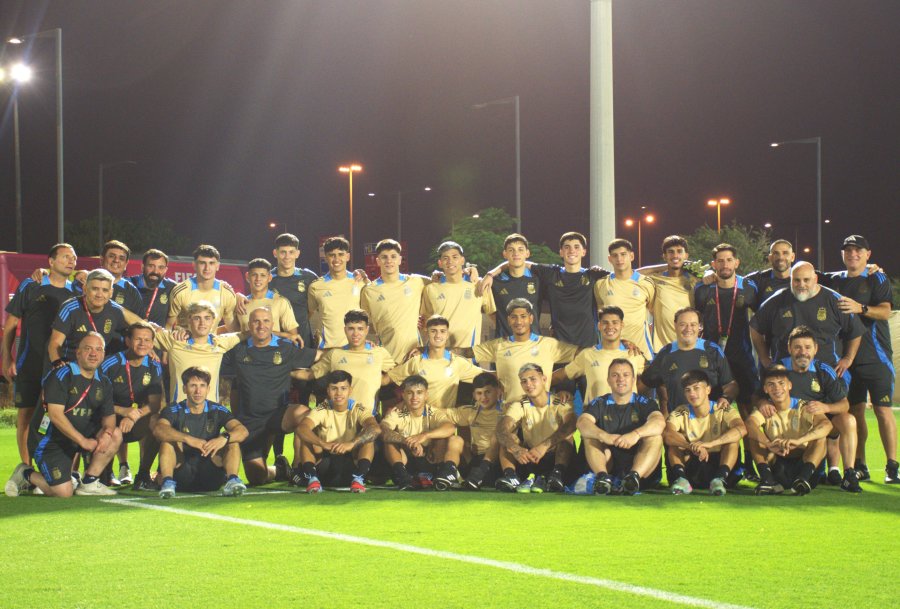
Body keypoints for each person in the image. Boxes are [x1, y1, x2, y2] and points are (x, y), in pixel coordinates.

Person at [5, 333, 121, 498]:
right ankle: (26, 473)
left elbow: (109, 418)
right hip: (50, 441)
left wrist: (107, 433)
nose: (93, 353)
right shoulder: (61, 375)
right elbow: (55, 415)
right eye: (87, 349)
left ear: (103, 354)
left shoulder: (104, 382)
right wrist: (83, 441)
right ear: (78, 353)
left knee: (115, 434)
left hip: (79, 438)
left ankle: (89, 482)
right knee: (63, 493)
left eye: (98, 349)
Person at [822, 235, 896, 483]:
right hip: (846, 360)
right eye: (848, 250)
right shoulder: (833, 280)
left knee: (883, 410)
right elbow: (800, 273)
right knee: (854, 412)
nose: (852, 254)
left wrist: (861, 308)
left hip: (876, 357)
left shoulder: (877, 277)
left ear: (868, 253)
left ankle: (892, 466)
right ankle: (860, 464)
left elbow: (886, 311)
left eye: (858, 250)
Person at [222, 307, 317, 486]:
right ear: (249, 325)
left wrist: (349, 350)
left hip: (278, 414)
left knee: (304, 414)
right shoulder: (237, 350)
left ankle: (298, 469)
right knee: (257, 477)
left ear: (272, 325)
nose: (261, 325)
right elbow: (210, 355)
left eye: (266, 321)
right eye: (256, 321)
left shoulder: (286, 348)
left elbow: (320, 356)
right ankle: (280, 470)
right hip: (251, 421)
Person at [3, 243, 79, 465]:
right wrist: (7, 357)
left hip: (61, 366)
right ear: (51, 261)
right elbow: (11, 325)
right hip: (31, 363)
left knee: (63, 417)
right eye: (65, 257)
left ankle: (65, 470)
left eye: (73, 258)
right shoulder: (31, 285)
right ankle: (26, 470)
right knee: (25, 417)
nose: (71, 261)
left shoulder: (76, 291)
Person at [764, 325, 859, 491]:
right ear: (789, 349)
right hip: (786, 430)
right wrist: (763, 404)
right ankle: (764, 472)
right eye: (797, 347)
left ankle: (849, 474)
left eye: (807, 347)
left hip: (817, 429)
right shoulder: (778, 369)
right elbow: (758, 397)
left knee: (848, 420)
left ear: (815, 349)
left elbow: (845, 404)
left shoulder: (823, 370)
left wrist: (826, 407)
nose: (803, 352)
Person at [692, 243, 760, 476]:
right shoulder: (703, 289)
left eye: (729, 260)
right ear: (713, 265)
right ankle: (725, 464)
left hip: (741, 358)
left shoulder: (749, 288)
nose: (724, 265)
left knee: (747, 411)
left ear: (736, 263)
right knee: (715, 410)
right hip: (712, 361)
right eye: (719, 261)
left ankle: (752, 462)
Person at [481, 231, 610, 348]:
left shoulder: (594, 275)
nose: (572, 251)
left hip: (588, 345)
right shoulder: (551, 274)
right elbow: (518, 261)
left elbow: (620, 279)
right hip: (559, 346)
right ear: (560, 252)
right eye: (567, 247)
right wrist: (491, 273)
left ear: (583, 252)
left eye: (576, 247)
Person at [750, 261, 864, 383]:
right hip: (787, 374)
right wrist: (764, 358)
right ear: (790, 280)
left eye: (806, 280)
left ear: (815, 279)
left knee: (835, 402)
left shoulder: (835, 300)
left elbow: (855, 330)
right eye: (797, 280)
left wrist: (848, 358)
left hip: (827, 372)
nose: (801, 284)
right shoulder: (777, 300)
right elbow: (755, 327)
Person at [154, 366, 249, 498]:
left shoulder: (217, 409)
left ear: (208, 389)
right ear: (184, 389)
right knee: (168, 441)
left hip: (210, 474)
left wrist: (224, 437)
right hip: (182, 475)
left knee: (232, 440)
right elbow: (159, 430)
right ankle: (167, 483)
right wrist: (188, 439)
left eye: (202, 386)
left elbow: (242, 431)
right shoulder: (174, 409)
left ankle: (232, 480)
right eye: (193, 385)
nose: (198, 391)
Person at [577, 359, 664, 495]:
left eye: (626, 375)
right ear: (608, 380)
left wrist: (636, 434)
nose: (620, 379)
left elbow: (659, 422)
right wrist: (604, 436)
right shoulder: (600, 402)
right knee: (590, 436)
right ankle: (602, 478)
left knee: (655, 437)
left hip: (640, 468)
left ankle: (633, 479)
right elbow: (582, 422)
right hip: (609, 463)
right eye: (615, 375)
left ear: (634, 379)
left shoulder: (646, 402)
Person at [746, 365, 833, 495]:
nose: (777, 389)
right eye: (771, 385)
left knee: (820, 437)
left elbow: (827, 425)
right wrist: (768, 443)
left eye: (781, 383)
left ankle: (802, 480)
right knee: (754, 437)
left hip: (804, 464)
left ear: (790, 386)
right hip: (778, 464)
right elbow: (749, 424)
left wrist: (799, 441)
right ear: (765, 389)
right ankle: (768, 480)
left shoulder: (803, 405)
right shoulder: (765, 409)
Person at [99, 321, 165, 490]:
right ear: (127, 341)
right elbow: (95, 398)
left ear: (152, 344)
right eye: (138, 339)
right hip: (108, 414)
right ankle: (103, 473)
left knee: (158, 424)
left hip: (135, 417)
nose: (143, 343)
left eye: (147, 340)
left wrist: (135, 414)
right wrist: (123, 411)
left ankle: (143, 475)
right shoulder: (110, 363)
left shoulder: (153, 365)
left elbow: (155, 403)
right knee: (104, 421)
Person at [473, 299, 578, 402]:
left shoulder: (547, 344)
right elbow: (468, 352)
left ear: (531, 319)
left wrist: (561, 383)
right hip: (509, 411)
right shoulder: (498, 345)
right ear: (509, 320)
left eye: (523, 317)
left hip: (540, 414)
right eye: (514, 317)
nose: (519, 321)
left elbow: (581, 354)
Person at [494, 363, 576, 493]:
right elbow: (501, 428)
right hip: (530, 456)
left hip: (555, 456)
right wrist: (515, 449)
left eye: (533, 379)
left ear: (544, 380)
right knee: (507, 439)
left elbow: (571, 425)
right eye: (524, 381)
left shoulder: (560, 401)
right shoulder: (520, 404)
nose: (528, 384)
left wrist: (544, 446)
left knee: (566, 439)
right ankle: (511, 477)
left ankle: (557, 476)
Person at [663, 370, 747, 496]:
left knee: (732, 440)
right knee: (675, 439)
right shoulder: (681, 411)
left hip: (718, 463)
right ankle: (682, 479)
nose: (692, 393)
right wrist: (691, 446)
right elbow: (667, 434)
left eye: (696, 388)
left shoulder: (722, 408)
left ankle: (719, 479)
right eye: (688, 390)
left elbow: (741, 429)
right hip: (693, 463)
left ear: (708, 389)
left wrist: (711, 444)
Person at [295, 370, 381, 493]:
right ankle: (312, 479)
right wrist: (323, 444)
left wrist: (351, 444)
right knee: (307, 438)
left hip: (351, 464)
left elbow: (375, 428)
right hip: (326, 464)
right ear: (328, 391)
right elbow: (301, 428)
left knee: (368, 438)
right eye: (334, 388)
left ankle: (359, 479)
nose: (339, 393)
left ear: (350, 390)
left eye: (343, 388)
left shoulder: (358, 408)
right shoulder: (322, 408)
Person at [641, 307, 737, 416]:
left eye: (693, 324)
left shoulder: (712, 351)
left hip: (711, 420)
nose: (688, 329)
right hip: (679, 423)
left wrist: (725, 398)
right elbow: (646, 382)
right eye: (683, 324)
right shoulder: (666, 354)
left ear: (700, 327)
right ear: (675, 326)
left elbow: (730, 384)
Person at [299, 309, 395, 413]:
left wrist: (383, 380)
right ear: (345, 330)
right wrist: (281, 368)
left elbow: (396, 372)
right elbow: (308, 374)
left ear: (367, 330)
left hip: (367, 419)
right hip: (339, 417)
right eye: (351, 329)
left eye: (360, 329)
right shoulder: (335, 354)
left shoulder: (379, 353)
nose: (356, 333)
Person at [551, 305, 647, 403]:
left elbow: (646, 382)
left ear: (622, 325)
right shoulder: (587, 354)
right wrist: (539, 387)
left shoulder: (634, 354)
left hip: (626, 415)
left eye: (615, 322)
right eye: (605, 323)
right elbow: (559, 375)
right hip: (594, 417)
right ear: (599, 326)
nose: (610, 327)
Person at [387, 314, 484, 409]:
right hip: (419, 418)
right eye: (433, 331)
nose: (438, 335)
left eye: (442, 331)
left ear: (447, 335)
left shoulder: (457, 362)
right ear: (427, 334)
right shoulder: (415, 361)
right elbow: (387, 379)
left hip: (444, 419)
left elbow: (487, 376)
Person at [154, 301, 242, 403]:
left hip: (210, 415)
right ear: (189, 320)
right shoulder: (175, 341)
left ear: (213, 321)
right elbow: (143, 329)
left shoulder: (220, 343)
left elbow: (251, 332)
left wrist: (238, 296)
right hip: (179, 415)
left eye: (207, 318)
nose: (202, 323)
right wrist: (154, 326)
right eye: (197, 318)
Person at [380, 375, 456, 490]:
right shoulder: (396, 412)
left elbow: (450, 427)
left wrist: (424, 436)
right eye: (410, 393)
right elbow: (383, 430)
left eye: (419, 392)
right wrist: (407, 441)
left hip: (429, 459)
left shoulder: (433, 412)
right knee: (389, 441)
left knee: (448, 438)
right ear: (403, 395)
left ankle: (442, 476)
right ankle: (404, 478)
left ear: (426, 395)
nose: (414, 397)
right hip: (407, 461)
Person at [360, 239, 429, 363]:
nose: (389, 261)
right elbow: (365, 324)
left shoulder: (415, 282)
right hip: (386, 358)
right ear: (378, 261)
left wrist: (471, 272)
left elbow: (442, 281)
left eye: (393, 256)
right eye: (384, 257)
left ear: (400, 259)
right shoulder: (369, 291)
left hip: (414, 356)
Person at [48, 269, 136, 363]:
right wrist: (57, 365)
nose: (99, 294)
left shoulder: (115, 311)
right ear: (85, 288)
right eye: (95, 289)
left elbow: (137, 332)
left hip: (96, 368)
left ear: (111, 293)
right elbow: (54, 344)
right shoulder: (70, 308)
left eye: (105, 290)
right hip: (70, 366)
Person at [421, 241, 494, 351]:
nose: (450, 261)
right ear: (440, 263)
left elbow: (493, 314)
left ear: (462, 260)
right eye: (445, 258)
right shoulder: (430, 289)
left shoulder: (479, 285)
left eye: (455, 257)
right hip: (440, 354)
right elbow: (426, 322)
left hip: (469, 355)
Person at [437, 372, 504, 491]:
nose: (483, 397)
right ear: (474, 395)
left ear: (498, 391)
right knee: (455, 439)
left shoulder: (507, 411)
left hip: (497, 463)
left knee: (498, 436)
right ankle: (449, 472)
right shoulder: (471, 411)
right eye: (479, 393)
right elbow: (440, 412)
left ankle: (481, 474)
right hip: (475, 461)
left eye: (488, 392)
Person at [593, 239, 656, 358]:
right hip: (612, 351)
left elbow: (653, 310)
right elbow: (600, 313)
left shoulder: (646, 283)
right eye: (615, 255)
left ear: (631, 256)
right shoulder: (601, 284)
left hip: (641, 350)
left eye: (623, 254)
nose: (619, 259)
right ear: (609, 259)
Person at [307, 236, 367, 348]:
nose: (336, 259)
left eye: (340, 254)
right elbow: (308, 315)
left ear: (347, 256)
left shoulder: (360, 282)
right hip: (327, 350)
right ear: (326, 257)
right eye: (331, 255)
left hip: (354, 349)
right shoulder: (316, 286)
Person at [642, 235, 699, 352]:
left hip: (690, 345)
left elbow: (711, 275)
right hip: (663, 349)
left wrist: (682, 264)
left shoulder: (695, 280)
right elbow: (633, 274)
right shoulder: (655, 279)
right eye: (671, 252)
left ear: (686, 255)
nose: (675, 255)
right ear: (664, 256)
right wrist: (669, 264)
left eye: (679, 252)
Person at [166, 244, 237, 330]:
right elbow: (168, 326)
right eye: (202, 263)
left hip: (211, 343)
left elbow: (231, 328)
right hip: (183, 342)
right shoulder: (180, 291)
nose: (207, 268)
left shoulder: (226, 293)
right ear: (194, 265)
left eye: (211, 263)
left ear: (217, 266)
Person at [268, 233, 319, 350]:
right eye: (283, 252)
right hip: (276, 342)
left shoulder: (309, 277)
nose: (287, 256)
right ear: (275, 253)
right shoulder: (267, 278)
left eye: (291, 252)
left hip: (303, 341)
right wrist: (239, 296)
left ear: (297, 254)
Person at [487, 234, 542, 338]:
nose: (516, 253)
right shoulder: (495, 282)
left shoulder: (538, 280)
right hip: (505, 345)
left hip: (533, 346)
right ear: (505, 254)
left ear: (527, 253)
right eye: (511, 250)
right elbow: (488, 310)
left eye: (520, 250)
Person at [235, 258, 299, 339]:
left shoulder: (280, 302)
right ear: (247, 276)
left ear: (269, 278)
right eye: (254, 275)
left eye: (263, 275)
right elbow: (233, 332)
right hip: (246, 350)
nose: (258, 279)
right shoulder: (240, 303)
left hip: (273, 350)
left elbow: (293, 336)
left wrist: (262, 333)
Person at [127, 249, 178, 326]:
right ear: (142, 267)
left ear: (165, 270)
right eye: (151, 266)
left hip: (158, 337)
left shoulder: (172, 288)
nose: (156, 271)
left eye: (161, 267)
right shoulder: (128, 284)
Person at [744, 239, 795, 304]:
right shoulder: (757, 279)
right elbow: (734, 286)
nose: (781, 257)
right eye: (776, 253)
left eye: (785, 253)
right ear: (770, 258)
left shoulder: (803, 280)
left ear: (792, 257)